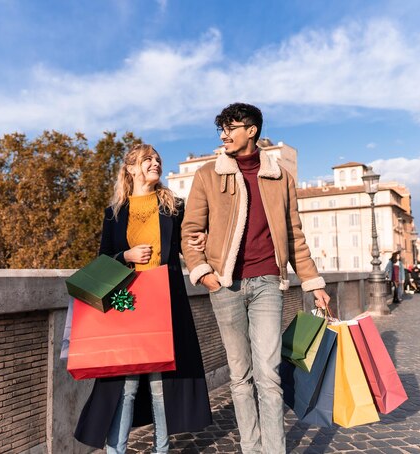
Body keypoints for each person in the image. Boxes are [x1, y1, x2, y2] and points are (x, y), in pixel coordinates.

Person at [181, 103, 330, 453]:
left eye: (230, 127)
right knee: (240, 376)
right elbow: (191, 232)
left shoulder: (281, 177)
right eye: (221, 129)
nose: (223, 135)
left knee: (270, 374)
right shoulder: (207, 174)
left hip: (267, 283)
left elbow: (294, 234)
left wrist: (315, 282)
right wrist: (205, 275)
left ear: (251, 130)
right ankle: (251, 446)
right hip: (225, 285)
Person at [74, 144, 212, 453]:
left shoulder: (174, 207)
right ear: (131, 169)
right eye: (147, 159)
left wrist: (202, 239)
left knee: (161, 386)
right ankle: (116, 450)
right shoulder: (114, 213)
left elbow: (189, 245)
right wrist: (127, 254)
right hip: (127, 306)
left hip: (166, 303)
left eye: (157, 159)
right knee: (127, 386)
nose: (155, 163)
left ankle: (161, 450)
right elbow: (103, 260)